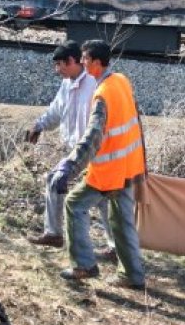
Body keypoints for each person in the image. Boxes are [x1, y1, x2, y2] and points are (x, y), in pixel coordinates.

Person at [50, 39, 146, 289]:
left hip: (108, 171)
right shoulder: (121, 81)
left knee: (74, 204)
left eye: (84, 58)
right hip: (128, 166)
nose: (81, 62)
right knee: (122, 220)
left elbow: (93, 137)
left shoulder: (102, 94)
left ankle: (83, 265)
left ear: (94, 62)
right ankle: (132, 275)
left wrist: (69, 166)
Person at [27, 41, 116, 263]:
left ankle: (114, 247)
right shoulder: (67, 84)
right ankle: (54, 234)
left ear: (72, 62)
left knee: (105, 198)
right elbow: (56, 112)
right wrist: (38, 126)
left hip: (95, 151)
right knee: (53, 180)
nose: (57, 70)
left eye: (59, 65)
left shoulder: (95, 83)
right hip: (75, 151)